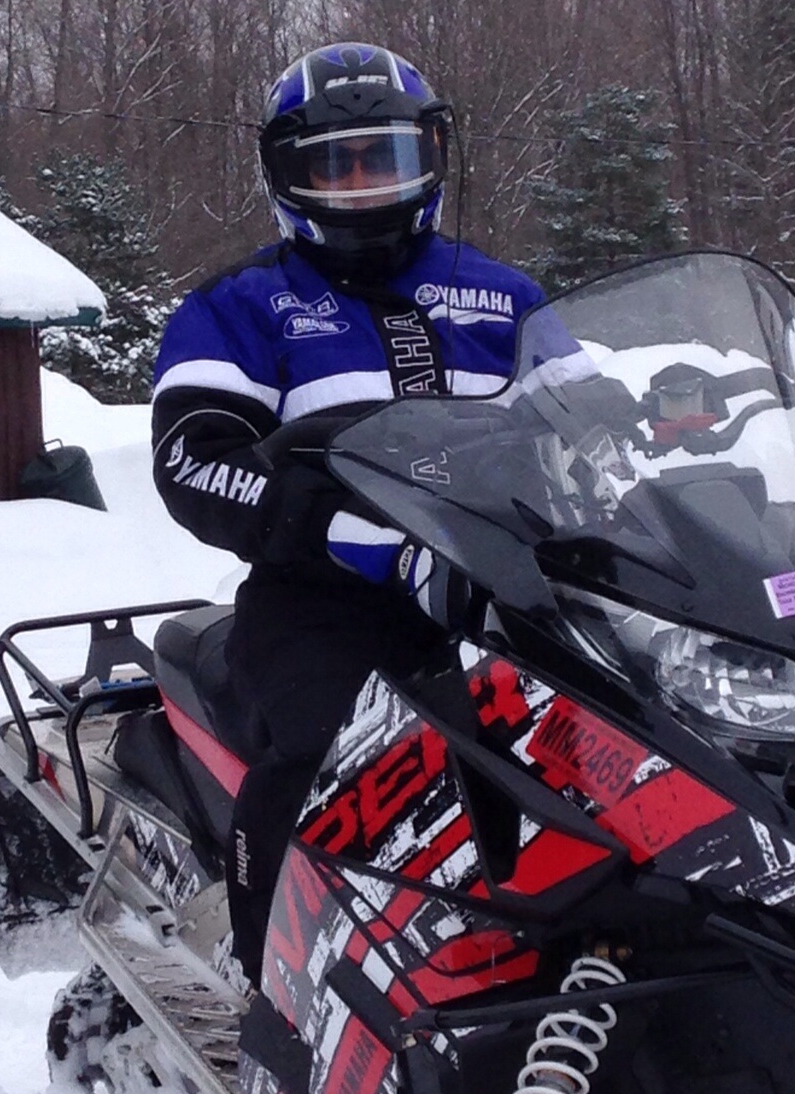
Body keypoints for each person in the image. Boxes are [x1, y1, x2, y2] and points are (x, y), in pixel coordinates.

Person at [150, 42, 577, 987]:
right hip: (325, 596)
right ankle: (275, 987)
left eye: (382, 159)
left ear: (430, 158)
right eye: (332, 165)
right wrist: (347, 535)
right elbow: (193, 459)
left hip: (503, 586)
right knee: (331, 750)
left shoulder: (504, 295)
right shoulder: (242, 306)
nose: (359, 186)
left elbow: (589, 430)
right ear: (286, 175)